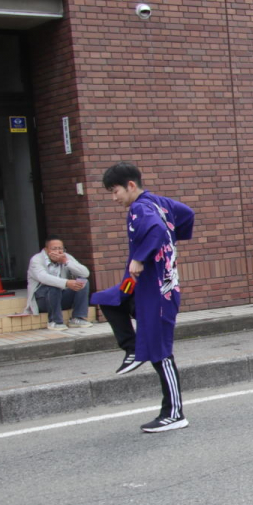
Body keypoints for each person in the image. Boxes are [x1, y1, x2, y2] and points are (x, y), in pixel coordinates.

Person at [91, 162, 195, 433]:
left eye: (115, 192)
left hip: (157, 291)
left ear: (131, 186)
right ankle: (133, 349)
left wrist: (140, 257)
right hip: (140, 287)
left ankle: (174, 413)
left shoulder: (139, 207)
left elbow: (159, 231)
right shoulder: (159, 202)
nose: (114, 198)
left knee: (161, 353)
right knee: (108, 298)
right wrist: (174, 238)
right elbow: (187, 214)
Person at [26, 236, 93, 330]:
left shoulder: (66, 257)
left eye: (60, 248)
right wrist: (66, 283)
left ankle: (77, 318)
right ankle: (55, 321)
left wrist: (66, 261)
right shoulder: (36, 260)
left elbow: (85, 273)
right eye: (54, 249)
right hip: (42, 301)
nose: (58, 251)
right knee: (53, 286)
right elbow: (43, 277)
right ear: (46, 250)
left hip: (61, 297)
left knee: (83, 281)